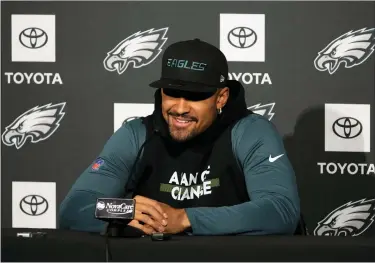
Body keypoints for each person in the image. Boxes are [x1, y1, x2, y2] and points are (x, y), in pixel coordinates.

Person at [59, 39, 301, 236]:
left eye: (195, 97)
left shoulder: (250, 132)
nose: (180, 108)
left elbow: (281, 211)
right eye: (172, 93)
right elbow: (73, 210)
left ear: (221, 97)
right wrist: (123, 211)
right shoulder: (136, 135)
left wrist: (186, 219)